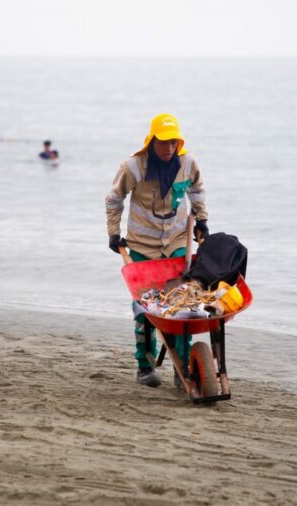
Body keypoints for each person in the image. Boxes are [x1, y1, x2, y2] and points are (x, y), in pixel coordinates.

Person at [105, 113, 209, 387]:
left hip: (176, 242)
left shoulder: (187, 164)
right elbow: (114, 199)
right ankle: (145, 366)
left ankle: (182, 367)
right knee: (145, 309)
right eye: (162, 142)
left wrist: (202, 220)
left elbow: (197, 192)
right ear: (151, 141)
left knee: (182, 306)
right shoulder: (134, 167)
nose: (168, 148)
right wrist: (113, 233)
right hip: (141, 246)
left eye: (173, 142)